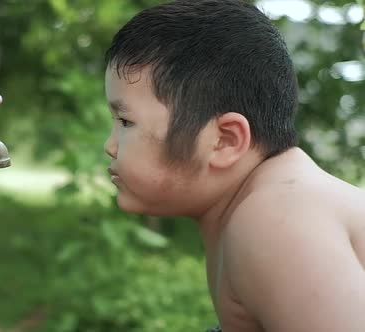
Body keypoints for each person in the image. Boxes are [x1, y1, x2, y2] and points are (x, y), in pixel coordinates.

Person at [103, 1, 365, 331]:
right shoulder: (263, 207)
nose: (110, 146)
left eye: (125, 122)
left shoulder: (275, 220)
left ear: (224, 140)